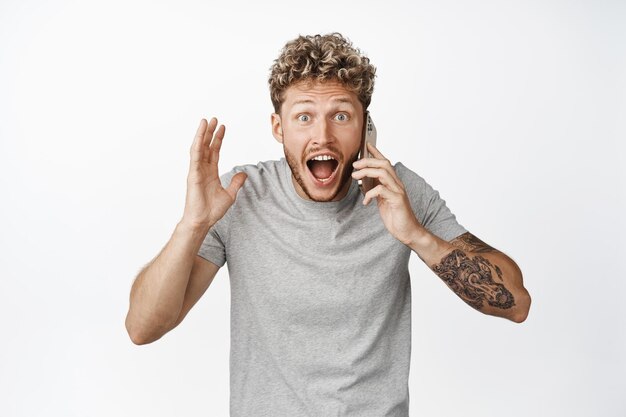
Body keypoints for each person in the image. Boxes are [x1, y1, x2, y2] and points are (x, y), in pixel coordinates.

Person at [125, 32, 531, 416]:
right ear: (278, 128)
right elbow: (143, 328)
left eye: (340, 115)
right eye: (304, 117)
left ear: (365, 126)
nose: (322, 136)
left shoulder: (399, 190)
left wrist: (416, 235)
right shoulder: (239, 194)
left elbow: (515, 303)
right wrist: (192, 225)